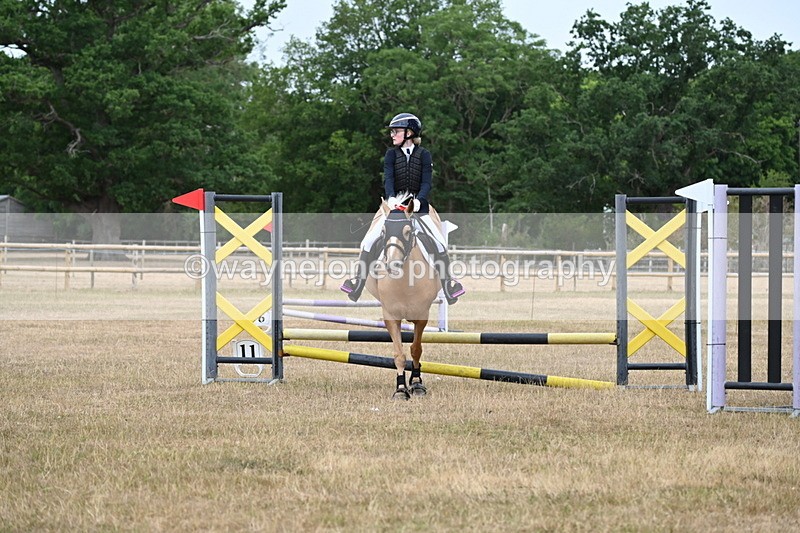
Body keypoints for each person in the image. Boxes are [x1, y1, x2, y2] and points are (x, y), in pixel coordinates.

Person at [340, 112, 465, 304]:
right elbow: (388, 179)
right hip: (393, 206)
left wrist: (418, 201)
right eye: (392, 132)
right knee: (367, 241)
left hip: (418, 207)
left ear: (409, 132)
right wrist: (391, 200)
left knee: (439, 242)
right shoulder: (391, 155)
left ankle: (448, 284)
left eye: (396, 131)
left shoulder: (424, 155)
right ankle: (357, 282)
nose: (392, 135)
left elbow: (426, 183)